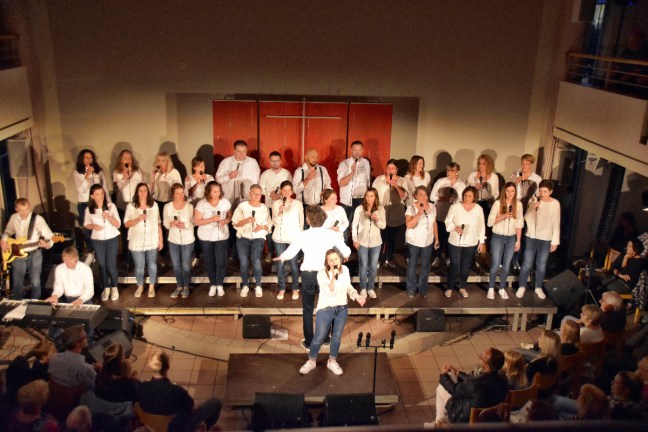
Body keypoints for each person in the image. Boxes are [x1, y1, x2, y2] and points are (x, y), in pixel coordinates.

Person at [275, 205, 351, 351]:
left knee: (308, 309)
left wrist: (281, 257)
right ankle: (326, 338)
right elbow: (346, 250)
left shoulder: (303, 235)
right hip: (326, 274)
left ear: (309, 220)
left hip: (310, 275)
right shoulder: (331, 234)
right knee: (328, 306)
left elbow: (290, 253)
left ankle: (310, 342)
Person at [299, 249, 366, 376]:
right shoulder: (321, 274)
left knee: (336, 337)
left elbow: (348, 286)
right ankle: (311, 361)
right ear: (327, 262)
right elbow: (329, 292)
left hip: (342, 309)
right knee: (318, 338)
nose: (335, 262)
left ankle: (332, 361)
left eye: (336, 259)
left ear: (340, 259)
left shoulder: (345, 270)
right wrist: (334, 277)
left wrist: (356, 296)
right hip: (325, 310)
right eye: (331, 260)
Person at [137, 351, 222, 432]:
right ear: (168, 366)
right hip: (176, 428)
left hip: (151, 427)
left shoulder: (142, 386)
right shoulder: (176, 390)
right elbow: (190, 405)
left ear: (151, 366)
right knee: (216, 402)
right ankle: (206, 427)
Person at [430, 347, 507, 425]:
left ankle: (439, 423)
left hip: (464, 418)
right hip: (489, 417)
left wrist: (444, 375)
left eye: (481, 357)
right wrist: (457, 372)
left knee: (441, 389)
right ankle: (438, 422)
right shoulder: (503, 378)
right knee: (451, 377)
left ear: (487, 367)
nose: (479, 357)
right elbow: (472, 383)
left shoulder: (475, 383)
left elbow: (455, 390)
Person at [1, 198, 54, 300]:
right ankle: (17, 305)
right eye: (21, 210)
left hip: (35, 253)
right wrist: (3, 240)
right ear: (16, 209)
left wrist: (47, 244)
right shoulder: (14, 218)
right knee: (17, 283)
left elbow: (49, 236)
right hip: (17, 253)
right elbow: (8, 232)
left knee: (35, 282)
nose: (25, 212)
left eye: (27, 209)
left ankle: (35, 305)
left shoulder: (38, 219)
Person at [516, 179, 560, 300]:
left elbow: (556, 222)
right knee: (527, 263)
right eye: (540, 191)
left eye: (545, 191)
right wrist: (532, 208)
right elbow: (526, 217)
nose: (542, 193)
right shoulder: (534, 200)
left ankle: (538, 287)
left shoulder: (555, 203)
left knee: (541, 264)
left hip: (546, 238)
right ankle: (522, 286)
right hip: (532, 236)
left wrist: (555, 241)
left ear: (550, 191)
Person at [445, 186, 485, 298]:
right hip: (455, 241)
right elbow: (447, 221)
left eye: (470, 196)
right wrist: (455, 227)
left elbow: (481, 226)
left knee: (466, 265)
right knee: (455, 264)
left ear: (474, 197)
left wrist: (481, 241)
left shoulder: (478, 209)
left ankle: (462, 287)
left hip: (471, 242)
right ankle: (450, 287)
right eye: (465, 195)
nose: (467, 198)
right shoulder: (455, 207)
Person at [124, 183, 163, 298]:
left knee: (152, 264)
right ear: (137, 192)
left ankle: (151, 286)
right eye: (140, 190)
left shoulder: (154, 205)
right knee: (139, 266)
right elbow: (126, 223)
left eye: (145, 190)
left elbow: (158, 222)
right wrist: (138, 219)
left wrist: (160, 239)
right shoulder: (131, 206)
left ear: (148, 192)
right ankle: (140, 286)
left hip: (152, 239)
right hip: (137, 241)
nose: (143, 193)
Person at [232, 184, 271, 298]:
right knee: (244, 263)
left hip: (257, 238)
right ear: (250, 193)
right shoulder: (242, 206)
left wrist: (261, 227)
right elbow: (235, 223)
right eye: (254, 194)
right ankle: (245, 285)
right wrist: (246, 221)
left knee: (256, 260)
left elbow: (269, 225)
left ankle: (258, 285)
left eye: (259, 194)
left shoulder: (264, 208)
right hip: (243, 238)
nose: (257, 196)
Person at [73, 149, 110, 265]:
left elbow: (105, 187)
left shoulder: (98, 171)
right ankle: (90, 253)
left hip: (98, 202)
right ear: (81, 159)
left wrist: (108, 202)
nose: (89, 160)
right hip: (84, 203)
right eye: (86, 158)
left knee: (100, 227)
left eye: (91, 158)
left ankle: (100, 253)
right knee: (87, 230)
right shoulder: (77, 172)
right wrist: (88, 175)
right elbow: (81, 189)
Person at [194, 181, 232, 297]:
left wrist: (225, 221)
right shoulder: (202, 204)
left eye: (219, 191)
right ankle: (213, 284)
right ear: (209, 192)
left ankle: (219, 284)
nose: (217, 193)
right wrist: (211, 219)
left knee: (221, 261)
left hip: (221, 235)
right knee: (210, 261)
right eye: (215, 191)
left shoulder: (225, 202)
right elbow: (197, 221)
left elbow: (230, 216)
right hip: (206, 236)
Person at [84, 184, 121, 302]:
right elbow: (86, 224)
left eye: (102, 193)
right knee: (102, 265)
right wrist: (93, 225)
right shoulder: (89, 209)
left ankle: (114, 287)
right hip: (97, 240)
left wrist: (109, 217)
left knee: (111, 264)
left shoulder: (111, 206)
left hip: (112, 239)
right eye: (97, 194)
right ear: (92, 196)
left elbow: (118, 224)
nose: (101, 196)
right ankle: (106, 288)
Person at [487, 182, 523, 300]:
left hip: (511, 238)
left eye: (512, 191)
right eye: (508, 191)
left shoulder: (518, 205)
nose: (510, 193)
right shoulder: (497, 203)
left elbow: (519, 224)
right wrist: (503, 216)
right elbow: (490, 222)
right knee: (496, 263)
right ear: (504, 192)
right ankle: (491, 288)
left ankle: (502, 288)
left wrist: (518, 241)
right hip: (498, 236)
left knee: (507, 264)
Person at [372, 159, 408, 268]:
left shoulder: (402, 181)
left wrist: (396, 186)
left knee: (392, 239)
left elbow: (404, 196)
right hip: (382, 212)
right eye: (388, 168)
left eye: (393, 168)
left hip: (396, 214)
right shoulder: (379, 179)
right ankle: (379, 259)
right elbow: (373, 193)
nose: (390, 170)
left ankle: (389, 258)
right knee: (381, 238)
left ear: (397, 170)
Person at [405, 186, 439, 298]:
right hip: (414, 241)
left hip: (427, 242)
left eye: (425, 194)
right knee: (412, 265)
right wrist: (419, 214)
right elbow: (409, 225)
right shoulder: (411, 208)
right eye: (420, 194)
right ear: (415, 196)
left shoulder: (433, 207)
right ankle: (411, 289)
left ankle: (423, 289)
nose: (423, 197)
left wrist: (436, 238)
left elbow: (434, 223)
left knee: (425, 266)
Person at [352, 188, 386, 299]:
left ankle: (371, 288)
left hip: (376, 243)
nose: (369, 198)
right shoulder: (359, 209)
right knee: (363, 266)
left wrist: (377, 220)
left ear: (375, 197)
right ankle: (363, 288)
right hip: (362, 242)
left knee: (373, 267)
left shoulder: (380, 209)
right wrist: (354, 239)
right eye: (367, 195)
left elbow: (383, 226)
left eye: (371, 196)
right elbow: (354, 225)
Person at [272, 180, 303, 300]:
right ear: (281, 191)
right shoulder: (276, 204)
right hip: (279, 238)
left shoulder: (298, 204)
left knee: (294, 264)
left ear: (292, 191)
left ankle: (295, 288)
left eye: (289, 190)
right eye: (284, 190)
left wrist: (299, 238)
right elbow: (275, 222)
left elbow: (301, 222)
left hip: (294, 238)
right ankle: (282, 288)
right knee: (280, 264)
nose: (286, 192)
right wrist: (280, 211)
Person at [430, 162, 465, 267]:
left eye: (452, 171)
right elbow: (432, 197)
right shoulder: (441, 182)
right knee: (439, 236)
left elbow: (463, 200)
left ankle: (448, 257)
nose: (449, 172)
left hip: (453, 217)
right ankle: (437, 256)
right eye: (448, 170)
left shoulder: (462, 185)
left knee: (450, 237)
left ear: (457, 172)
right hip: (441, 213)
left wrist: (455, 201)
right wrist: (443, 199)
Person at [259, 151, 292, 261]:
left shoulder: (286, 173)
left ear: (280, 161)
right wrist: (270, 194)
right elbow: (261, 189)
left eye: (277, 161)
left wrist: (281, 195)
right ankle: (270, 252)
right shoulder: (265, 174)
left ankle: (283, 253)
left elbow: (291, 188)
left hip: (284, 205)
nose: (275, 163)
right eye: (273, 161)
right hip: (269, 205)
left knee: (283, 227)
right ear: (269, 161)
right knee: (270, 229)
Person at [163, 183, 195, 299]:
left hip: (187, 239)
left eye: (182, 193)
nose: (181, 195)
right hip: (173, 239)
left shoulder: (189, 206)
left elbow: (193, 222)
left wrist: (184, 224)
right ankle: (179, 286)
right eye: (178, 193)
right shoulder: (167, 207)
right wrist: (171, 223)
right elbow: (165, 223)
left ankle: (186, 286)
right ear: (173, 195)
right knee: (176, 265)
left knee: (186, 265)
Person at [112, 149, 144, 258]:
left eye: (129, 158)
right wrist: (124, 177)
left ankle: (139, 255)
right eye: (125, 158)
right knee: (126, 232)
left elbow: (142, 185)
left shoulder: (137, 171)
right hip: (123, 206)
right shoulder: (117, 172)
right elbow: (117, 188)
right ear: (121, 160)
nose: (128, 160)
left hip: (136, 205)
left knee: (138, 230)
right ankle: (127, 257)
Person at [150, 151, 181, 256]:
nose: (160, 163)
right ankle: (162, 253)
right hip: (158, 202)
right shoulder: (157, 173)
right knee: (161, 227)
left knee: (171, 225)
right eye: (158, 160)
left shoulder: (174, 172)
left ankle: (174, 251)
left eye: (163, 161)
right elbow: (152, 191)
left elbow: (179, 188)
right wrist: (153, 179)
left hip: (170, 202)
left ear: (167, 162)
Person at [215, 140, 261, 209]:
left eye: (244, 151)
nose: (241, 154)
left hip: (248, 199)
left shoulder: (253, 162)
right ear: (234, 151)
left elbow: (258, 180)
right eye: (239, 151)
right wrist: (229, 176)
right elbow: (218, 179)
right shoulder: (226, 162)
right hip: (230, 199)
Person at [48, 325, 96, 390]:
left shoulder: (53, 358)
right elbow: (96, 387)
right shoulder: (87, 368)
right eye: (85, 337)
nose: (87, 338)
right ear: (78, 343)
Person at [337, 141, 371, 230]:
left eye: (359, 150)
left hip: (363, 200)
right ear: (351, 150)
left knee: (361, 226)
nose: (357, 152)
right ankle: (345, 243)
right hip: (348, 201)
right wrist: (352, 173)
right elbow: (341, 183)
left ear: (362, 150)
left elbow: (367, 180)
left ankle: (358, 243)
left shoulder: (366, 162)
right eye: (355, 150)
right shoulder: (344, 164)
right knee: (346, 226)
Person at [466, 154, 499, 223]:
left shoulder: (494, 176)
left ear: (488, 164)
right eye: (479, 163)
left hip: (487, 204)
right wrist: (474, 186)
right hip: (474, 202)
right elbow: (466, 190)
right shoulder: (472, 175)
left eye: (483, 164)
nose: (480, 166)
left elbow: (496, 192)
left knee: (485, 223)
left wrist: (491, 200)